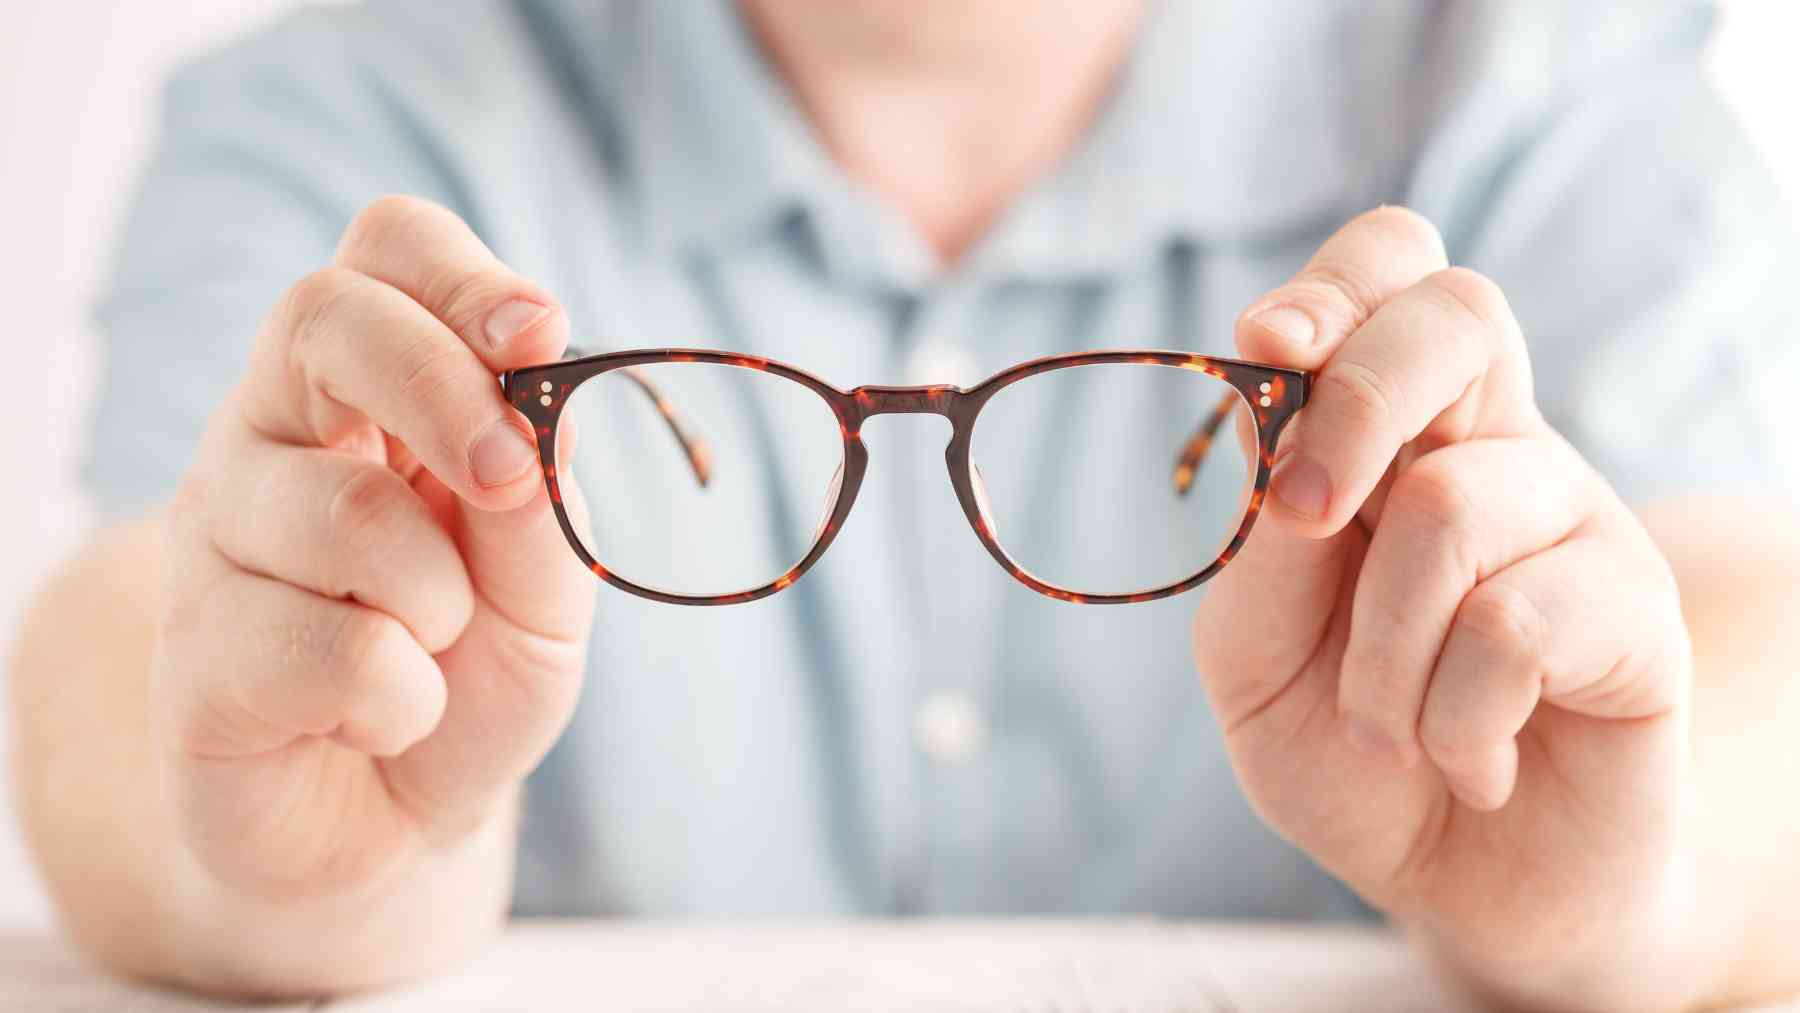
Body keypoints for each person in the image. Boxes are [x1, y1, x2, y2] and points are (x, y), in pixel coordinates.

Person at [9, 0, 1800, 1007]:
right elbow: (130, 638)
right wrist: (288, 874)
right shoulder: (339, 125)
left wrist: (1613, 898)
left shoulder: (1551, 93)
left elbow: (1748, 657)